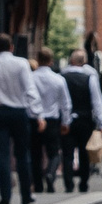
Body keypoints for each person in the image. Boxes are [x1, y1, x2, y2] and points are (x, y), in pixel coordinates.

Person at [0, 34, 39, 204]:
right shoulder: (21, 64)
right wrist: (37, 113)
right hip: (19, 112)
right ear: (11, 47)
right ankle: (26, 194)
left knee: (3, 155)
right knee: (22, 154)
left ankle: (5, 196)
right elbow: (30, 90)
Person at [63, 48, 102, 193]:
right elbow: (97, 101)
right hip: (85, 119)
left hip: (67, 121)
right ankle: (83, 183)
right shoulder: (90, 78)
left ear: (71, 61)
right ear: (84, 62)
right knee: (84, 152)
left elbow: (62, 101)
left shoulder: (63, 76)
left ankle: (68, 184)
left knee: (67, 153)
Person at [32, 48, 72, 192]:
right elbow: (65, 103)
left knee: (35, 153)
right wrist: (66, 122)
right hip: (53, 120)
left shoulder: (31, 77)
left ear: (37, 59)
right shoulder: (58, 79)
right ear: (51, 61)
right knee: (54, 153)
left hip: (35, 119)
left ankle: (37, 184)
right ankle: (50, 172)